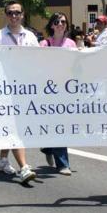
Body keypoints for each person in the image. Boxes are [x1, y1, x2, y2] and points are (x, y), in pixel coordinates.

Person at [0, 0, 38, 184]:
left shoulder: (30, 37)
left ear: (22, 15)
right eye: (10, 12)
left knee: (13, 125)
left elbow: (39, 60)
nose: (14, 16)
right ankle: (24, 167)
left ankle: (2, 160)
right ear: (5, 15)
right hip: (4, 90)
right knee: (15, 126)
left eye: (17, 12)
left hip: (25, 89)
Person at [39, 12, 77, 176]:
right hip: (48, 90)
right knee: (57, 124)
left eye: (63, 21)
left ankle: (48, 148)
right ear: (52, 25)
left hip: (66, 90)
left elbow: (77, 66)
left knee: (61, 124)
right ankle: (62, 164)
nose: (60, 24)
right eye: (57, 22)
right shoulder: (44, 44)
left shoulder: (71, 44)